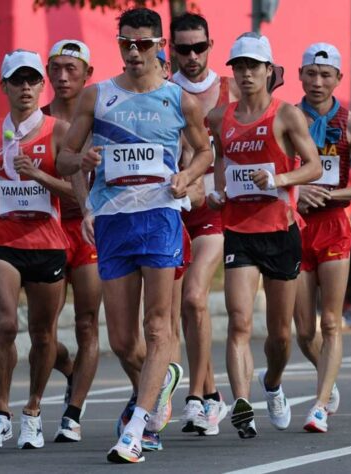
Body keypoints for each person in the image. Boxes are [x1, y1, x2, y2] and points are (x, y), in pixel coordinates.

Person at [57, 8, 213, 462]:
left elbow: (205, 153)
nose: (134, 51)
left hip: (160, 217)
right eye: (127, 42)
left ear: (159, 46)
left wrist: (186, 176)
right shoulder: (97, 97)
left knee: (158, 324)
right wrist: (82, 167)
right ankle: (160, 379)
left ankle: (137, 428)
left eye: (144, 43)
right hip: (112, 221)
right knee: (124, 340)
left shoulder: (179, 100)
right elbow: (65, 159)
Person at [206, 32, 321, 439]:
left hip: (281, 229)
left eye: (253, 66)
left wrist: (280, 177)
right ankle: (242, 404)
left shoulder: (287, 114)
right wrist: (216, 192)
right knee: (239, 322)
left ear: (269, 70)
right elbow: (221, 160)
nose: (245, 73)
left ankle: (271, 383)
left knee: (281, 333)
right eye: (239, 66)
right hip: (239, 229)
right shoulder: (221, 117)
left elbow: (313, 167)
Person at [0, 50, 73, 450]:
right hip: (3, 241)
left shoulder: (59, 131)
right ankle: (1, 413)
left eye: (32, 80)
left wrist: (39, 174)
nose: (25, 88)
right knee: (7, 323)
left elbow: (77, 189)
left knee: (43, 335)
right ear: (4, 86)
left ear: (42, 86)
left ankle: (34, 410)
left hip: (48, 244)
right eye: (17, 81)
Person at [292, 43, 351, 433]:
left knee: (330, 321)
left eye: (326, 75)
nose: (317, 82)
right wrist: (296, 193)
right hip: (295, 227)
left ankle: (320, 404)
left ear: (339, 79)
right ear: (300, 75)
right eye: (311, 73)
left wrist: (330, 194)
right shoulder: (287, 119)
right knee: (303, 330)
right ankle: (328, 377)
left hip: (333, 227)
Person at [169, 12, 237, 436]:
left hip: (217, 209)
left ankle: (196, 397)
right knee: (178, 310)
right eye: (183, 49)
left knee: (195, 297)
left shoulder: (230, 92)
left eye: (199, 47)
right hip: (173, 208)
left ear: (211, 45)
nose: (192, 56)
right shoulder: (162, 92)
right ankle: (211, 397)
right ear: (170, 50)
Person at [43, 38, 102, 443]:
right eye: (57, 69)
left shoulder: (104, 120)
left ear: (88, 75)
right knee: (43, 330)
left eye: (72, 69)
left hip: (90, 230)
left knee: (86, 321)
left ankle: (73, 412)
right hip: (45, 231)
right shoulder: (37, 119)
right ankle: (66, 367)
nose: (63, 77)